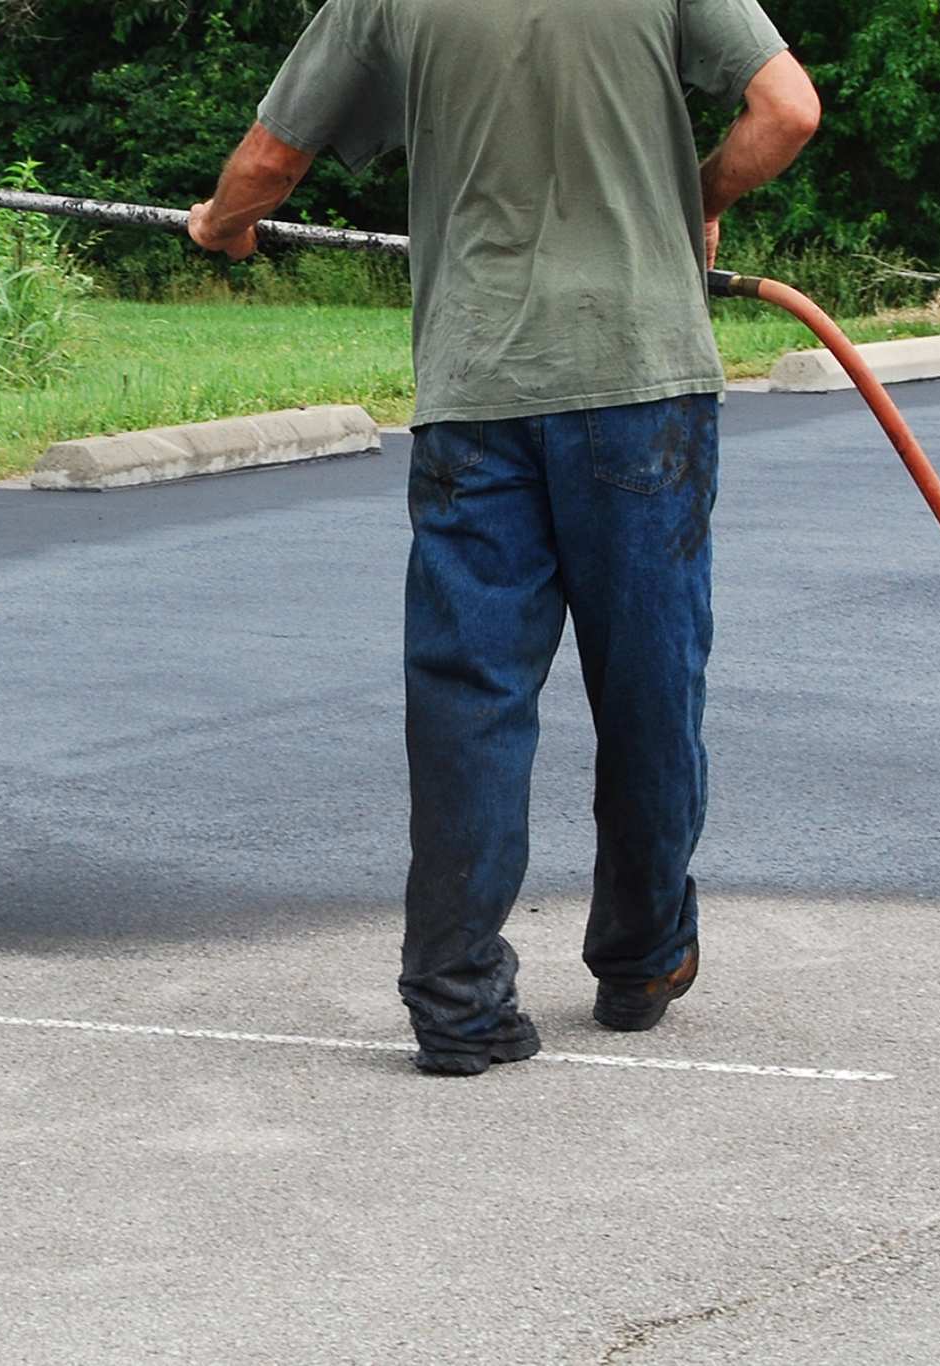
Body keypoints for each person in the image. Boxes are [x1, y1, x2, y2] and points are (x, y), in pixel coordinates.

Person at [189, 0, 820, 1075]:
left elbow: (267, 159)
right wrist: (695, 199)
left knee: (467, 693)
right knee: (649, 684)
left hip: (477, 392)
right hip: (640, 384)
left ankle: (457, 999)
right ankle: (641, 957)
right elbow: (788, 111)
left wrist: (219, 225)